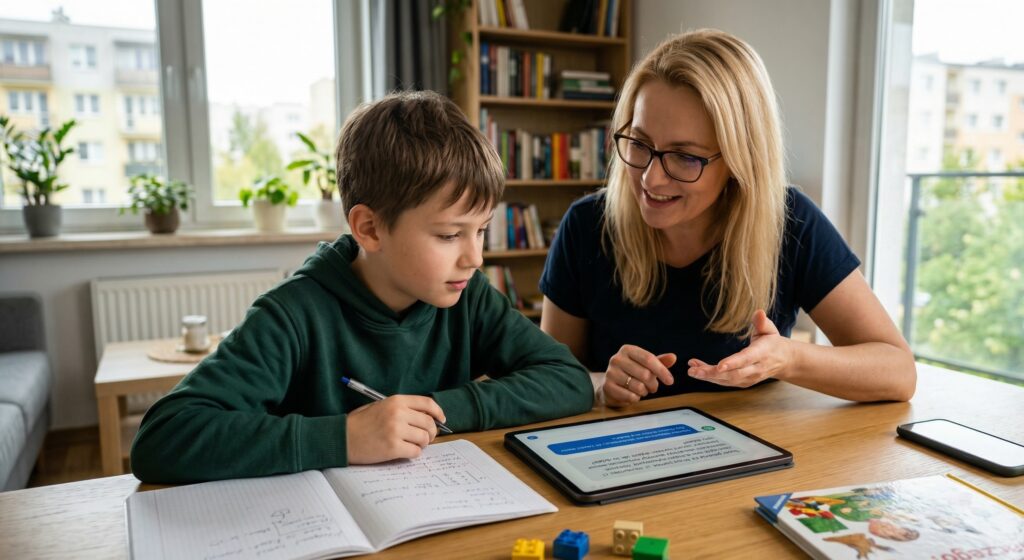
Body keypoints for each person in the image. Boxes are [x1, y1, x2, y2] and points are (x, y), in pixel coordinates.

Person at [131, 90, 594, 483]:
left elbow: (567, 380)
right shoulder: (292, 315)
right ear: (370, 229)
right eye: (450, 235)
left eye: (482, 230)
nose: (475, 257)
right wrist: (344, 438)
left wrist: (436, 410)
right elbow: (161, 439)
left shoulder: (467, 297)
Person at [539, 29, 916, 408]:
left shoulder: (789, 221)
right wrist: (602, 384)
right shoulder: (587, 225)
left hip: (758, 454)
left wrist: (788, 358)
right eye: (639, 144)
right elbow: (546, 375)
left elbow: (898, 372)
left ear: (740, 161)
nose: (651, 179)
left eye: (684, 157)